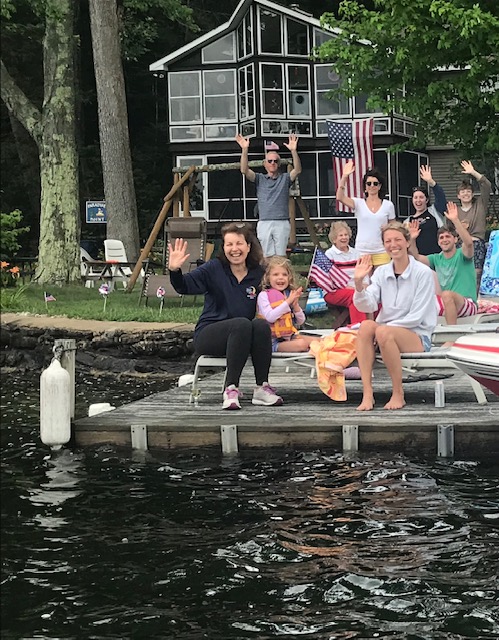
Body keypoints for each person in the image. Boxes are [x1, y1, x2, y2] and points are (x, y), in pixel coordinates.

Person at [168, 222, 283, 410]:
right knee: (241, 324)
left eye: (239, 243)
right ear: (224, 247)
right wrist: (175, 270)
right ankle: (231, 389)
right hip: (210, 334)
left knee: (260, 325)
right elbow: (184, 286)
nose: (234, 249)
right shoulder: (214, 268)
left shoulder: (259, 274)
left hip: (242, 337)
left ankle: (262, 388)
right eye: (229, 244)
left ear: (248, 246)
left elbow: (278, 295)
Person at [353, 221, 437, 412]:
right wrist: (358, 283)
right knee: (366, 326)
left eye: (397, 239)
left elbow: (416, 317)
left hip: (417, 335)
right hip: (386, 332)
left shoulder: (423, 273)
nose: (393, 245)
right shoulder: (381, 272)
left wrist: (384, 329)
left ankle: (398, 393)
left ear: (407, 242)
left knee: (383, 332)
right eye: (388, 241)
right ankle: (367, 393)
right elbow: (367, 304)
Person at [410, 201, 477, 326]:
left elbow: (468, 243)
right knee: (416, 300)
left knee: (446, 295)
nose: (444, 240)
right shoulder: (436, 258)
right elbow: (416, 258)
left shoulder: (462, 254)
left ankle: (451, 333)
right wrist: (413, 239)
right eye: (441, 238)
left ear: (455, 239)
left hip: (468, 304)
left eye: (448, 237)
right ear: (438, 242)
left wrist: (455, 220)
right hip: (446, 303)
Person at [236, 133, 302, 257]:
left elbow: (297, 170)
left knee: (281, 256)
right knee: (266, 256)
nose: (272, 163)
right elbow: (244, 170)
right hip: (264, 222)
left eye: (275, 161)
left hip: (282, 222)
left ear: (279, 164)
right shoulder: (259, 178)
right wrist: (244, 149)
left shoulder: (285, 178)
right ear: (264, 164)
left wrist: (293, 151)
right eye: (270, 161)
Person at [336, 160, 395, 267]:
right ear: (365, 187)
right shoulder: (358, 203)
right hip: (362, 250)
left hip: (381, 250)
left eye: (375, 183)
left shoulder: (388, 205)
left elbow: (394, 227)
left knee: (382, 277)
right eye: (369, 183)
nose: (372, 186)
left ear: (380, 186)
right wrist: (344, 176)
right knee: (363, 277)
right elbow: (340, 197)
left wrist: (387, 228)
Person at [257, 256, 319, 353]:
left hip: (290, 337)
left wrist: (295, 306)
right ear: (268, 277)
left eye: (284, 274)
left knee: (320, 341)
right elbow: (270, 317)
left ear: (289, 277)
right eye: (275, 274)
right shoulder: (263, 295)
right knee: (302, 344)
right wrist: (288, 302)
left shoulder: (288, 294)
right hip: (272, 342)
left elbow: (300, 321)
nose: (280, 277)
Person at [456, 160, 492, 292]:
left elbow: (487, 185)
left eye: (468, 191)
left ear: (472, 194)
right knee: (460, 276)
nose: (466, 194)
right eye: (463, 192)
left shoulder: (480, 205)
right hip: (460, 246)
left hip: (476, 244)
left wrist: (473, 172)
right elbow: (449, 230)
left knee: (476, 275)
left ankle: (474, 300)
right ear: (458, 195)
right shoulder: (455, 211)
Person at [323, 221, 367, 324]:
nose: (344, 237)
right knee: (355, 296)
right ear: (334, 239)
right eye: (341, 235)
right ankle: (358, 327)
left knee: (373, 295)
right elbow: (329, 278)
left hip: (357, 287)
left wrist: (365, 284)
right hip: (334, 291)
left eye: (346, 235)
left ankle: (375, 326)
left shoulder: (356, 253)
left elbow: (364, 272)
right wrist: (347, 287)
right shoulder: (329, 254)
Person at [406, 165, 447, 255]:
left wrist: (431, 182)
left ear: (427, 200)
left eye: (421, 197)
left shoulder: (434, 211)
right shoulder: (407, 221)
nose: (418, 200)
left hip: (437, 257)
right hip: (418, 259)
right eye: (415, 197)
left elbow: (441, 198)